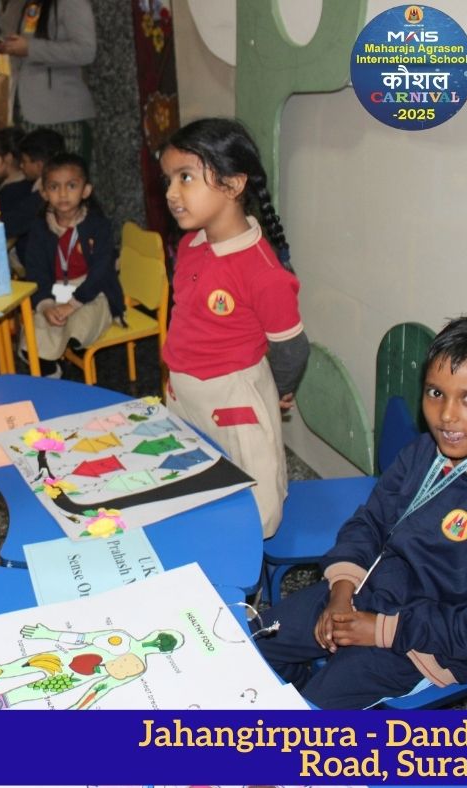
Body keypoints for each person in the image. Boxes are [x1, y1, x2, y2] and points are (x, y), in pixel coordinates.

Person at [257, 308, 467, 709]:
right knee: (255, 641)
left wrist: (380, 630)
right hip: (366, 592)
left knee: (309, 721)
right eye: (436, 393)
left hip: (423, 643)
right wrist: (341, 592)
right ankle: (299, 691)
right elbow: (369, 521)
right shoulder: (423, 452)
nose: (447, 415)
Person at [159, 118, 309, 538]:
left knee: (255, 510)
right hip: (183, 392)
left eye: (185, 177)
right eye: (169, 179)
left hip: (233, 400)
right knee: (190, 488)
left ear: (233, 183)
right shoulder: (190, 245)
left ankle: (243, 574)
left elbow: (293, 348)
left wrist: (277, 389)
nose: (171, 192)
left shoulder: (262, 271)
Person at [22, 151, 123, 379]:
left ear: (86, 190)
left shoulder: (99, 225)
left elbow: (101, 272)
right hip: (56, 290)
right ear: (44, 193)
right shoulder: (40, 228)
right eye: (54, 187)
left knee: (81, 320)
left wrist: (73, 303)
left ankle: (62, 349)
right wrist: (46, 305)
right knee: (38, 322)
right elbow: (35, 271)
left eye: (71, 185)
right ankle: (47, 365)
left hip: (93, 290)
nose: (63, 194)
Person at [0, 622, 183, 709]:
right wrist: (77, 709)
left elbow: (100, 685)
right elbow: (101, 686)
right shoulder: (129, 651)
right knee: (7, 690)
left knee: (7, 687)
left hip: (63, 672)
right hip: (61, 667)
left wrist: (77, 709)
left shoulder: (130, 654)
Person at [0, 0, 96, 163]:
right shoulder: (18, 3)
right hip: (24, 109)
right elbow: (2, 31)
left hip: (62, 114)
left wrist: (31, 49)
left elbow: (86, 51)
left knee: (65, 174)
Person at [3, 126, 63, 272]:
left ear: (39, 166)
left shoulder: (44, 194)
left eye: (24, 161)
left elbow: (11, 224)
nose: (21, 166)